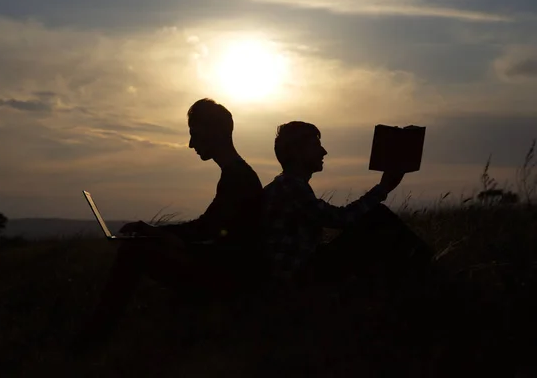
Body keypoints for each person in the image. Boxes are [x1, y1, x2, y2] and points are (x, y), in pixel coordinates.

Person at [72, 99, 265, 354]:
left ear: (216, 132)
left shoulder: (239, 178)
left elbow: (210, 234)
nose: (191, 144)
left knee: (133, 254)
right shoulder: (236, 175)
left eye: (195, 134)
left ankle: (91, 342)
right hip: (226, 271)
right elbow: (208, 228)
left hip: (229, 279)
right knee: (139, 250)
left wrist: (157, 234)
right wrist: (154, 232)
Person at [262, 121, 432, 291]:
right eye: (315, 146)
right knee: (378, 219)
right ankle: (429, 271)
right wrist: (382, 188)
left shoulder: (285, 186)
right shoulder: (290, 187)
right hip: (296, 281)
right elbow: (340, 219)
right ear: (296, 152)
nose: (324, 152)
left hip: (297, 275)